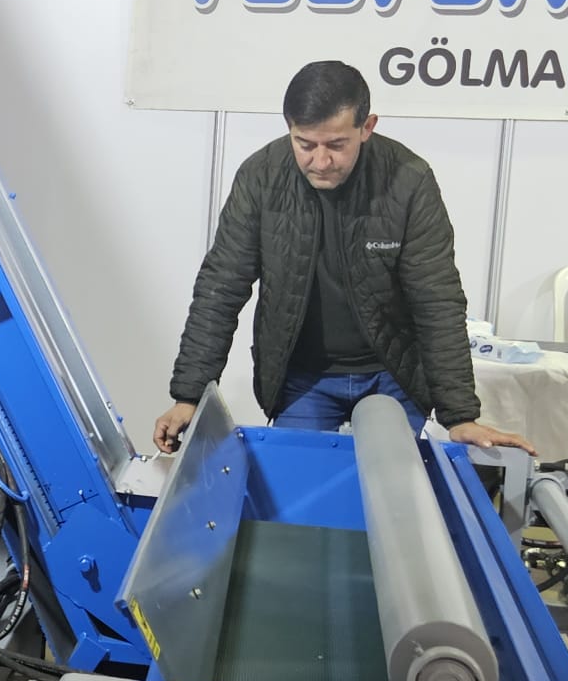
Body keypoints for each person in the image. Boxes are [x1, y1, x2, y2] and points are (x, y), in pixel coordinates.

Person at [153, 60, 534, 454]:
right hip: (304, 378)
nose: (320, 161)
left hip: (393, 374)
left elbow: (437, 299)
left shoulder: (408, 180)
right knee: (301, 484)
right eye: (305, 144)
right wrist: (189, 396)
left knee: (393, 486)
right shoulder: (260, 177)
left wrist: (460, 415)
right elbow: (221, 288)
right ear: (289, 128)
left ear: (367, 127)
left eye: (336, 145)